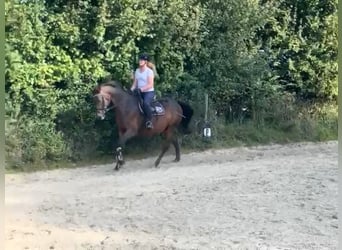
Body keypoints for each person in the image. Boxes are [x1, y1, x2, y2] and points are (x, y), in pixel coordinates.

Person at [130, 54, 156, 129]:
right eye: (140, 60)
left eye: (142, 60)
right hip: (139, 92)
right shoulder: (137, 71)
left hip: (148, 92)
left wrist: (141, 89)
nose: (140, 61)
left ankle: (149, 120)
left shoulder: (149, 72)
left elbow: (150, 85)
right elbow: (135, 83)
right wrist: (131, 90)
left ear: (146, 62)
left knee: (145, 103)